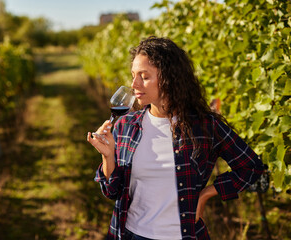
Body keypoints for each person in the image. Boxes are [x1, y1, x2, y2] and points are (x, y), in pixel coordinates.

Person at [87, 36, 264, 240]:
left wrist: (206, 195)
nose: (134, 84)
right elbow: (112, 192)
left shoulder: (204, 126)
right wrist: (108, 157)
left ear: (168, 78)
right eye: (133, 75)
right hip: (129, 234)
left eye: (144, 76)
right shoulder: (126, 125)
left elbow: (251, 167)